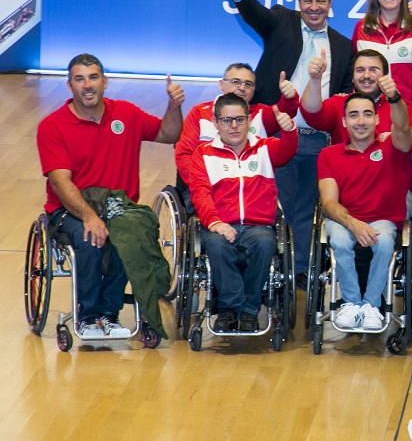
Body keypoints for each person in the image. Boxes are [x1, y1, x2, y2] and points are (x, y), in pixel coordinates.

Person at [36, 54, 184, 338]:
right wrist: (90, 216)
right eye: (79, 79)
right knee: (92, 237)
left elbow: (168, 133)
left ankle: (109, 314)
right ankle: (87, 317)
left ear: (105, 81)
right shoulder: (53, 126)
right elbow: (60, 182)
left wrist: (174, 106)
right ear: (69, 85)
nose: (87, 85)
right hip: (70, 209)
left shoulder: (126, 113)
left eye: (93, 77)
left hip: (118, 206)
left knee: (128, 234)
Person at [223, 0, 353, 283]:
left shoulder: (343, 46)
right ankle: (270, 267)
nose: (313, 7)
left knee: (307, 207)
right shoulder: (281, 21)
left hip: (317, 138)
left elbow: (346, 92)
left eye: (320, 0)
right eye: (307, 0)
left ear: (330, 3)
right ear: (299, 2)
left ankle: (298, 272)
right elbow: (255, 13)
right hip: (275, 132)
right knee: (277, 204)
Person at [187, 94, 298, 332]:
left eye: (240, 119)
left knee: (265, 243)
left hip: (258, 226)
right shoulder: (203, 153)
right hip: (218, 224)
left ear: (249, 121)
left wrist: (289, 131)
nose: (234, 126)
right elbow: (199, 192)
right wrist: (215, 222)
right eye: (227, 120)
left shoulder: (265, 147)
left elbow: (286, 151)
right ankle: (229, 307)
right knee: (216, 245)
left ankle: (249, 309)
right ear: (216, 123)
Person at [317, 85, 412, 331]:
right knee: (339, 241)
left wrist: (394, 98)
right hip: (345, 219)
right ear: (344, 122)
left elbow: (403, 128)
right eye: (354, 115)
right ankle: (351, 303)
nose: (361, 121)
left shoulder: (394, 146)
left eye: (367, 114)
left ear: (377, 119)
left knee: (384, 242)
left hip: (383, 219)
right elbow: (328, 203)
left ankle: (371, 305)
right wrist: (354, 224)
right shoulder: (329, 155)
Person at [174, 63, 298, 210]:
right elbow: (184, 155)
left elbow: (284, 112)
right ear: (221, 84)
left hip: (252, 191)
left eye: (248, 84)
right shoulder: (199, 113)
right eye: (235, 81)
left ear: (253, 90)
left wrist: (289, 98)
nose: (242, 87)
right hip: (207, 189)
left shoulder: (261, 114)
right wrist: (203, 184)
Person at [352, 0, 412, 185]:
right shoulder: (361, 28)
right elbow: (356, 73)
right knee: (373, 185)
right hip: (375, 118)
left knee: (409, 186)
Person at [300, 49, 412, 147]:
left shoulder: (402, 108)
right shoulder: (339, 103)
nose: (366, 76)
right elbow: (311, 114)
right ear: (352, 77)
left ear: (385, 76)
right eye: (360, 70)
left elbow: (406, 144)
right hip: (346, 168)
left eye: (373, 70)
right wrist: (315, 79)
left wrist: (394, 98)